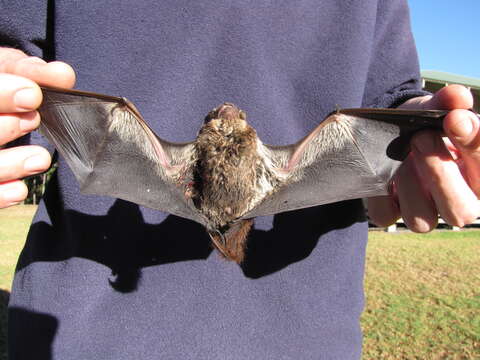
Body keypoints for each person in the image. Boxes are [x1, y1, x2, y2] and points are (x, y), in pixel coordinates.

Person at [0, 1, 478, 359]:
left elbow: (390, 95)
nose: (225, 115)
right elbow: (18, 66)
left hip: (307, 330)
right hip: (84, 332)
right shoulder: (177, 160)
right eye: (216, 115)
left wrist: (418, 136)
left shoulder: (282, 160)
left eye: (233, 115)